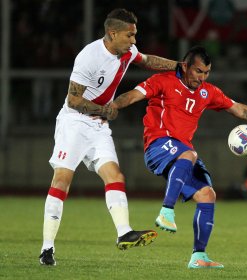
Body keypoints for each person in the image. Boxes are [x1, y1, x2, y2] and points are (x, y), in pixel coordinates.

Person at [111, 46, 247, 268]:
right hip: (158, 145)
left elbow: (238, 109)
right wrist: (111, 107)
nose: (202, 77)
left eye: (206, 72)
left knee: (208, 195)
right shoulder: (162, 80)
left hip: (182, 154)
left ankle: (199, 257)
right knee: (189, 154)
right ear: (185, 66)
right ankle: (166, 210)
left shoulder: (208, 92)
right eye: (198, 71)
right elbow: (133, 95)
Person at [39, 8, 180, 266]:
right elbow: (73, 100)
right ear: (112, 33)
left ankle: (124, 232)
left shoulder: (126, 52)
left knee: (115, 176)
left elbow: (148, 60)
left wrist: (180, 67)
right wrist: (104, 109)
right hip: (75, 123)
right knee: (62, 180)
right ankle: (47, 248)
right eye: (130, 35)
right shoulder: (89, 57)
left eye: (135, 35)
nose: (134, 41)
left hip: (99, 126)